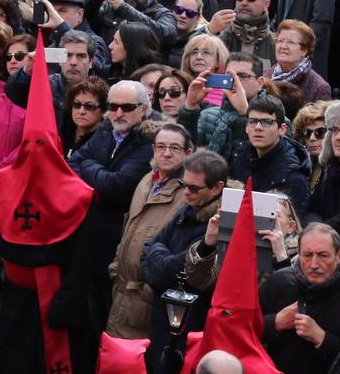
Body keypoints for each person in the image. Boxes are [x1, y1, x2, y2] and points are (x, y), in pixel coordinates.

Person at [69, 79, 156, 332]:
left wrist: (90, 167)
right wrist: (96, 172)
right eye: (113, 106)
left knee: (110, 312)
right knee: (91, 310)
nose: (118, 113)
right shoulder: (107, 129)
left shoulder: (149, 141)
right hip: (93, 233)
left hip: (120, 239)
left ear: (143, 109)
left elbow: (116, 185)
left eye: (126, 107)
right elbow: (73, 162)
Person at [141, 149, 229, 366]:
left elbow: (184, 269)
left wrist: (158, 259)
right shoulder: (187, 209)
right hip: (162, 320)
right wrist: (161, 260)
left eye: (194, 188)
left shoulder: (221, 225)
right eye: (184, 185)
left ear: (217, 188)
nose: (186, 193)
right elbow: (148, 248)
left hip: (190, 327)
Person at [106, 122, 191, 340]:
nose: (167, 153)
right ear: (153, 149)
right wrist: (116, 268)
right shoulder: (146, 180)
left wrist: (148, 290)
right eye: (161, 146)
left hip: (148, 299)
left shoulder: (188, 195)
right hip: (122, 290)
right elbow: (129, 227)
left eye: (174, 148)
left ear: (187, 153)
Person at [259, 222, 340, 372]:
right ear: (299, 254)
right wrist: (275, 322)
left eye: (323, 255)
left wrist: (322, 338)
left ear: (339, 256)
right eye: (307, 255)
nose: (314, 264)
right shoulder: (279, 282)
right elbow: (240, 329)